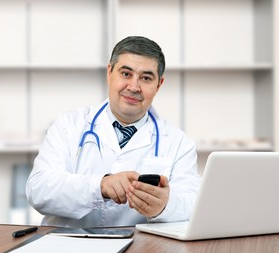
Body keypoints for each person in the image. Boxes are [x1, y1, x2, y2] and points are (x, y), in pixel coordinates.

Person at [26, 36, 201, 227]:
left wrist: (165, 205)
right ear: (110, 73)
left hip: (141, 251)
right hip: (68, 248)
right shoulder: (68, 125)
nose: (134, 87)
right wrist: (99, 186)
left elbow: (193, 204)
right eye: (126, 74)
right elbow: (38, 190)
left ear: (159, 84)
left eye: (146, 78)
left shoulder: (179, 143)